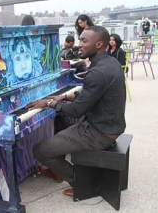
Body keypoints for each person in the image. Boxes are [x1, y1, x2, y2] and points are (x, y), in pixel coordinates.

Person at [26, 26, 126, 197]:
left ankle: (82, 183)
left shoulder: (97, 72)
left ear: (99, 44)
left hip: (99, 132)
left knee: (39, 150)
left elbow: (77, 111)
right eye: (80, 40)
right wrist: (64, 97)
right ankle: (57, 167)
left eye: (85, 41)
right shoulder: (111, 63)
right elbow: (93, 95)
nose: (80, 45)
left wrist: (50, 102)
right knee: (60, 121)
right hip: (108, 123)